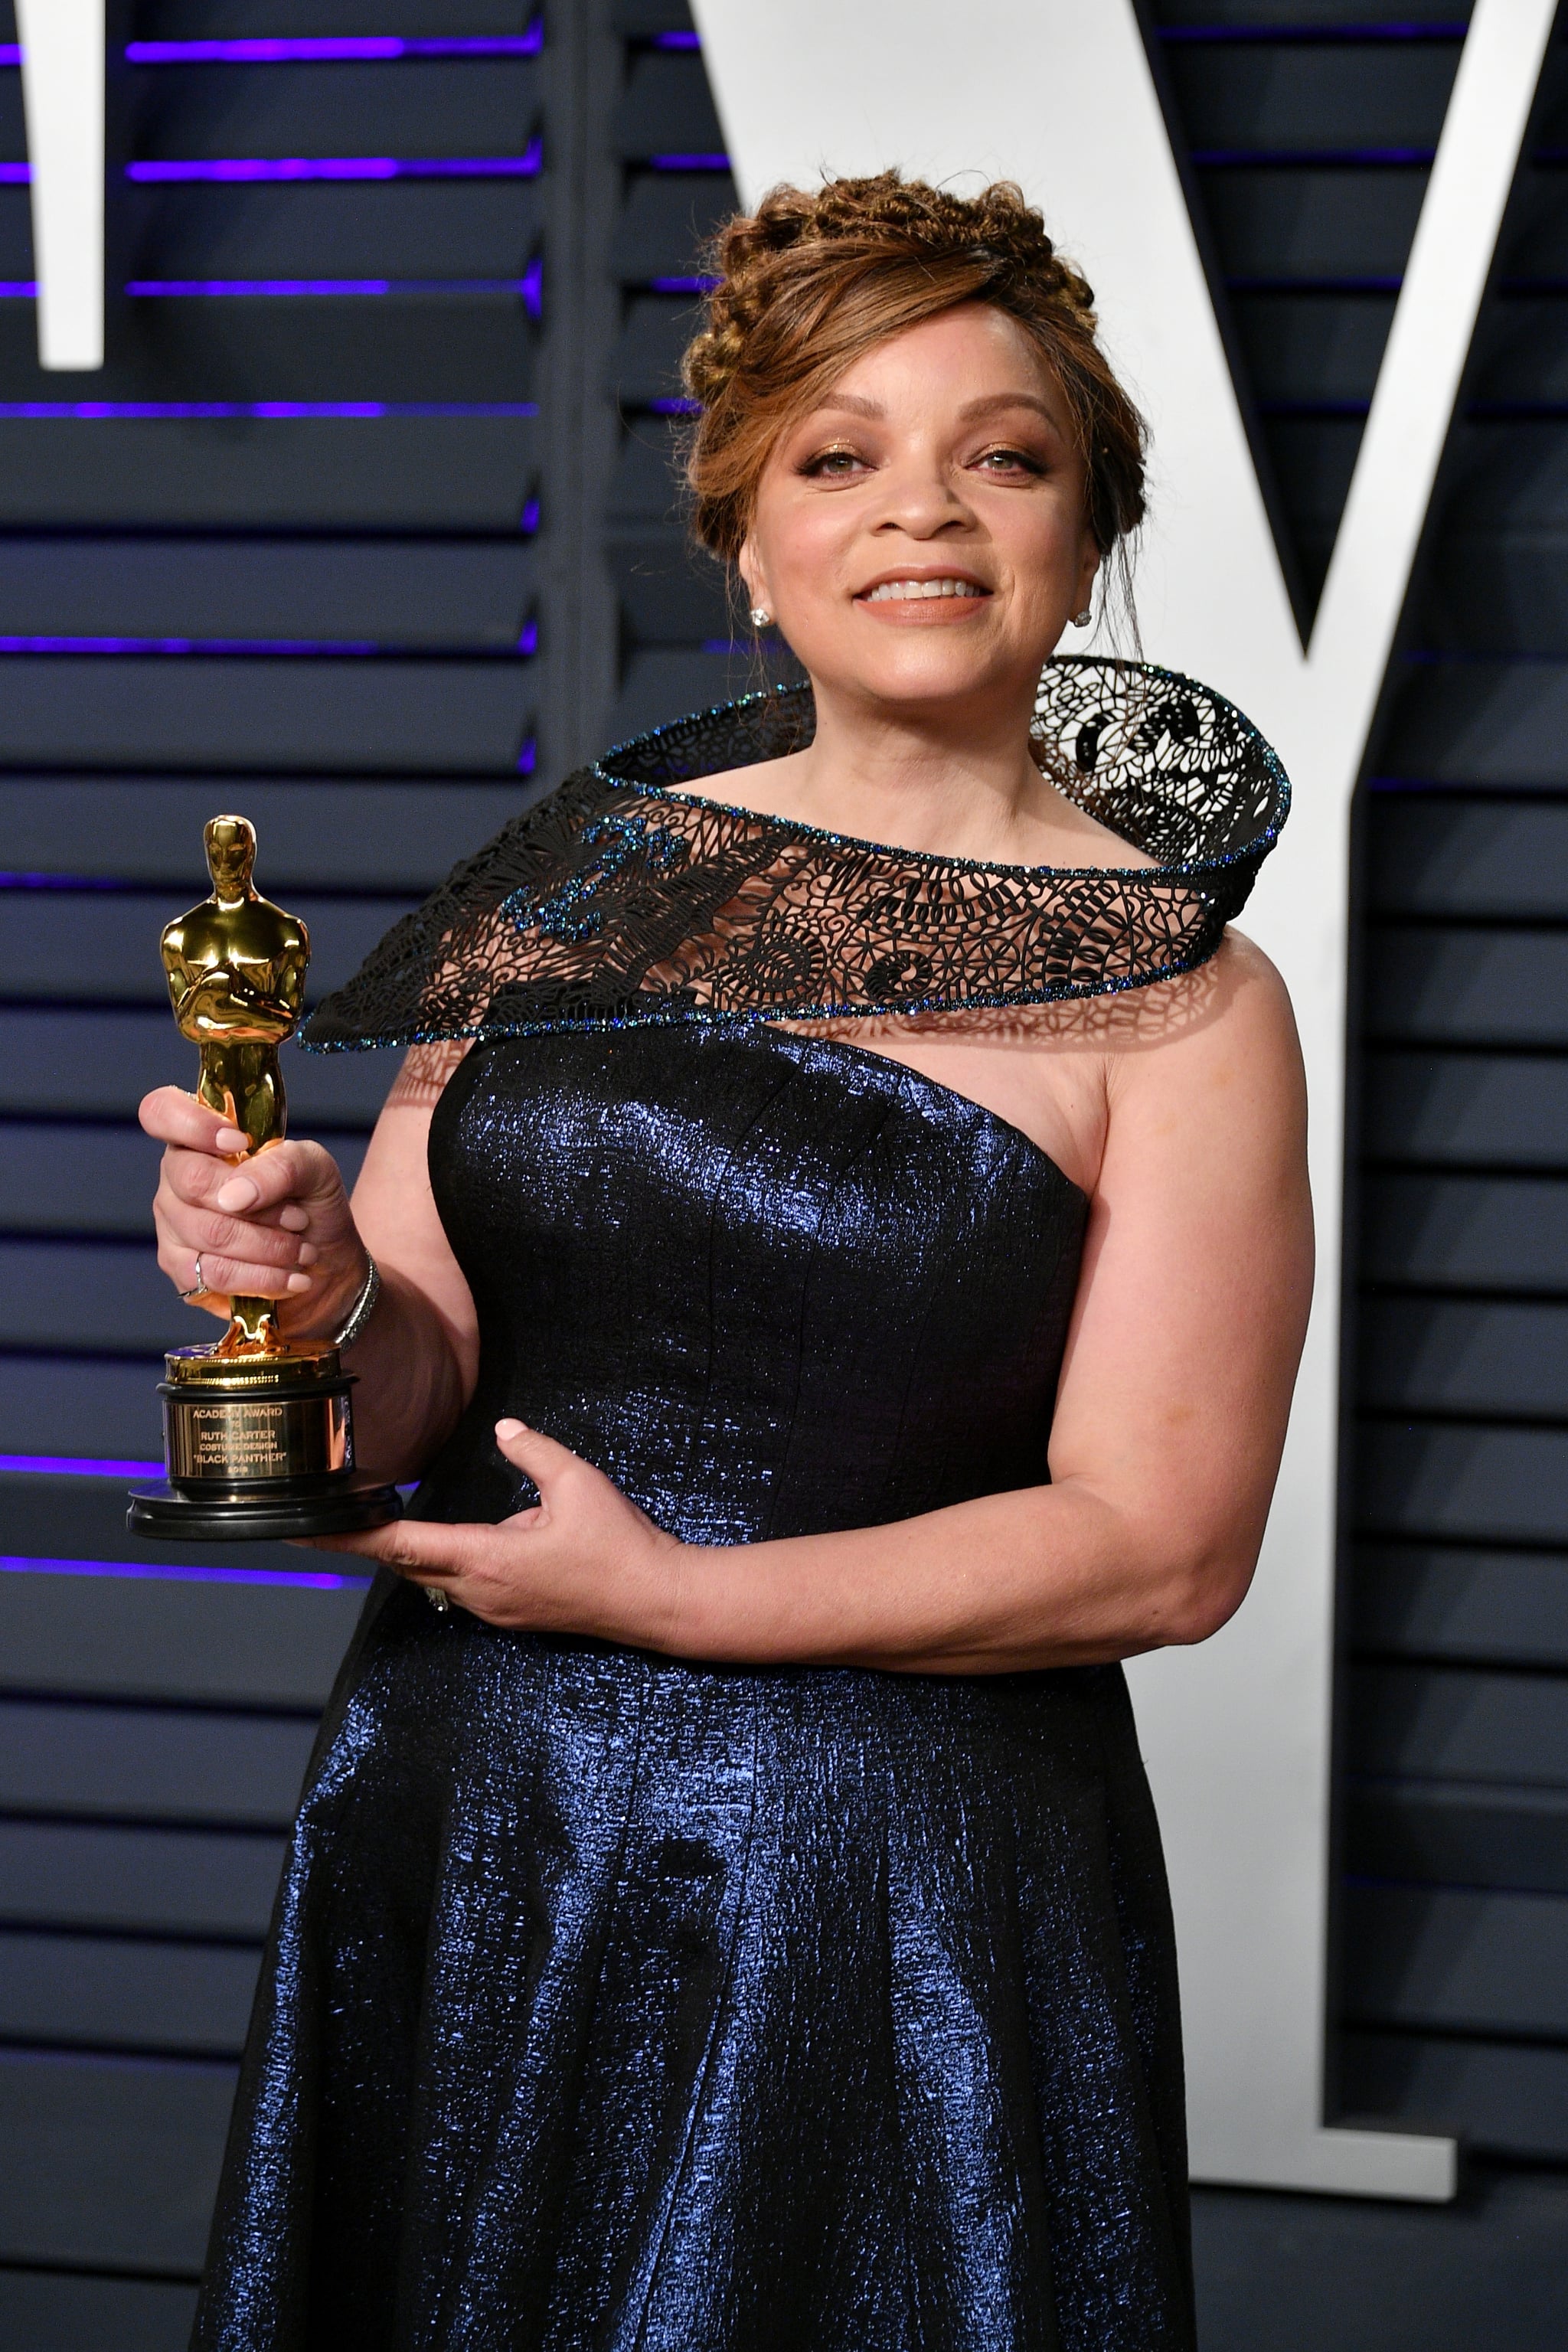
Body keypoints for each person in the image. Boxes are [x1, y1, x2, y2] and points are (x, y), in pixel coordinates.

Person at [142, 175, 1311, 2352]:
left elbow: (1160, 1551)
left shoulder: (1188, 1002)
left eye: (1007, 453)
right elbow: (416, 1379)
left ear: (1083, 535)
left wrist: (678, 1604)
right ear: (750, 546)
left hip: (893, 1901)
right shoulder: (570, 897)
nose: (924, 510)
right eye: (839, 456)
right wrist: (307, 1295)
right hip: (474, 1817)